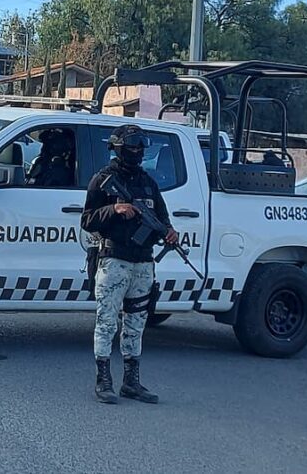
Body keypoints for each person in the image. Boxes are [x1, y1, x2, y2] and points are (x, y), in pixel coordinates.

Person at [81, 124, 179, 405]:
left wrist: (169, 233)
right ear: (118, 148)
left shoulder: (149, 183)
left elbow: (162, 219)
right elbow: (86, 220)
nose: (136, 152)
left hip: (143, 264)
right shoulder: (103, 180)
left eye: (140, 148)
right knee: (107, 323)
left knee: (136, 324)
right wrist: (114, 209)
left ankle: (131, 382)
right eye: (131, 147)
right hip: (114, 261)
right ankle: (104, 380)